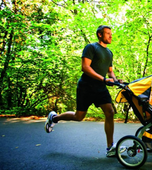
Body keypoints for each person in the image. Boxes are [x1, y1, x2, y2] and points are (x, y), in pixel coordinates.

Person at [44, 25, 122, 157]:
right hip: (86, 87)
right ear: (99, 35)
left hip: (100, 88)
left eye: (111, 34)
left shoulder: (109, 53)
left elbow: (110, 72)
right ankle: (54, 118)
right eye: (107, 33)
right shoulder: (91, 47)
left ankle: (110, 147)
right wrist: (103, 79)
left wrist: (115, 80)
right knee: (79, 116)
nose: (110, 36)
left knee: (110, 112)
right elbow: (85, 67)